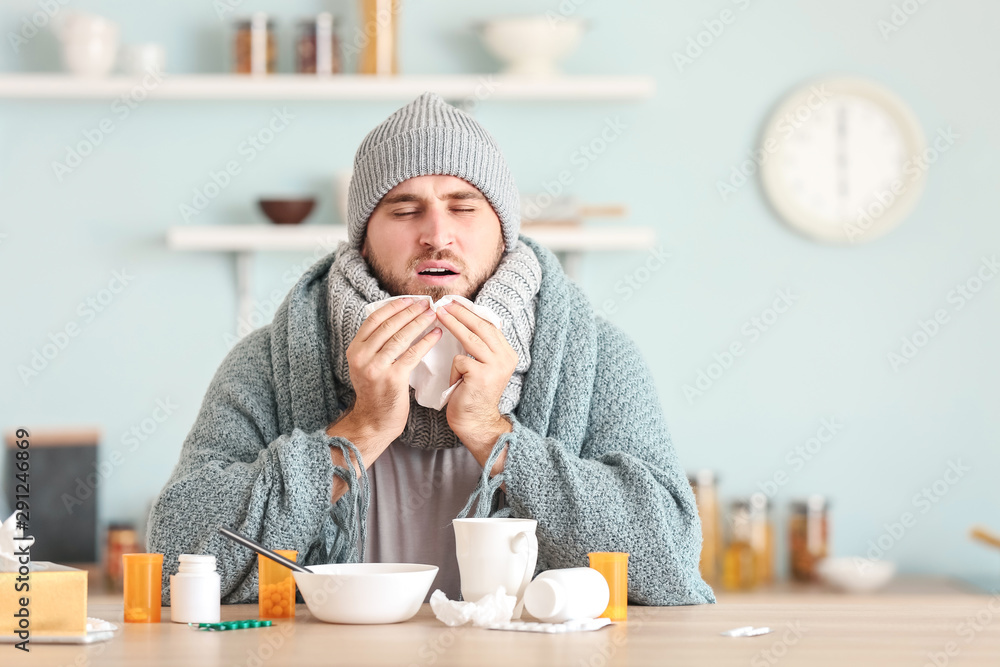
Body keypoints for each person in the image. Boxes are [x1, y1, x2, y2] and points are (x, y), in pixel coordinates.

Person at [147, 92, 715, 607]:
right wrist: (358, 431)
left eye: (464, 206)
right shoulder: (267, 364)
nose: (437, 234)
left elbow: (667, 567)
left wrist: (496, 436)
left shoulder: (599, 359)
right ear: (363, 236)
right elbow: (174, 563)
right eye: (403, 208)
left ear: (503, 230)